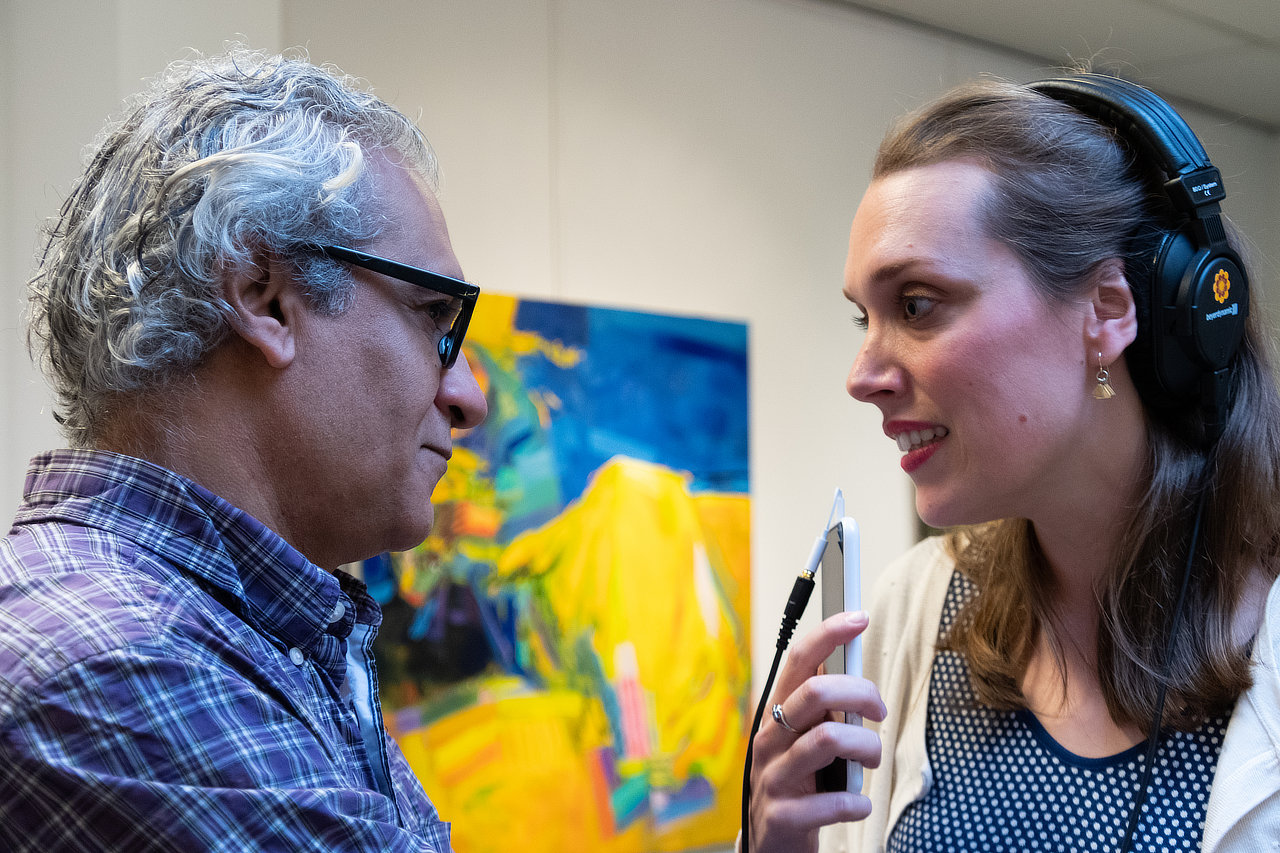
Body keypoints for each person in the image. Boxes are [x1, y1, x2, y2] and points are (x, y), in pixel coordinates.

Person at [746, 74, 1280, 852]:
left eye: (917, 305)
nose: (862, 376)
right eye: (866, 318)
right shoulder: (915, 610)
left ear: (1107, 310)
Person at [0, 47, 487, 852]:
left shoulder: (255, 638)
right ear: (263, 295)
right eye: (435, 314)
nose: (469, 396)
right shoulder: (122, 661)